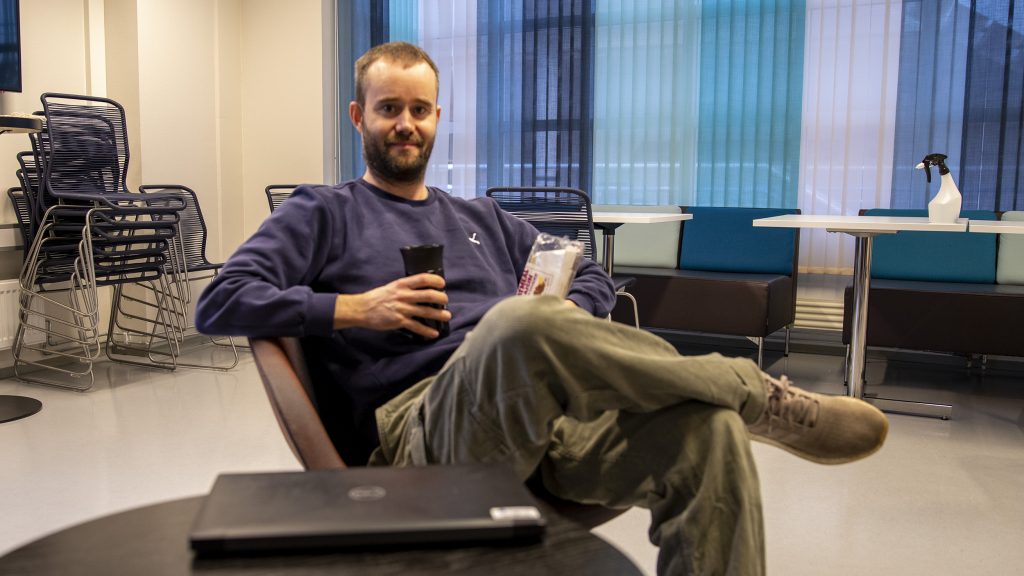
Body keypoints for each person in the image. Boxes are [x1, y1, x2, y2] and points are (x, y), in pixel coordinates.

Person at [196, 41, 888, 575]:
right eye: (388, 109)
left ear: (437, 118)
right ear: (359, 118)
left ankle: (732, 405)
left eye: (419, 110)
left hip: (542, 422)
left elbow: (589, 276)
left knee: (709, 434)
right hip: (421, 439)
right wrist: (357, 309)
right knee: (518, 322)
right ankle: (751, 390)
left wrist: (563, 320)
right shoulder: (323, 210)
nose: (405, 124)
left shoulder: (480, 216)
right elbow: (222, 300)